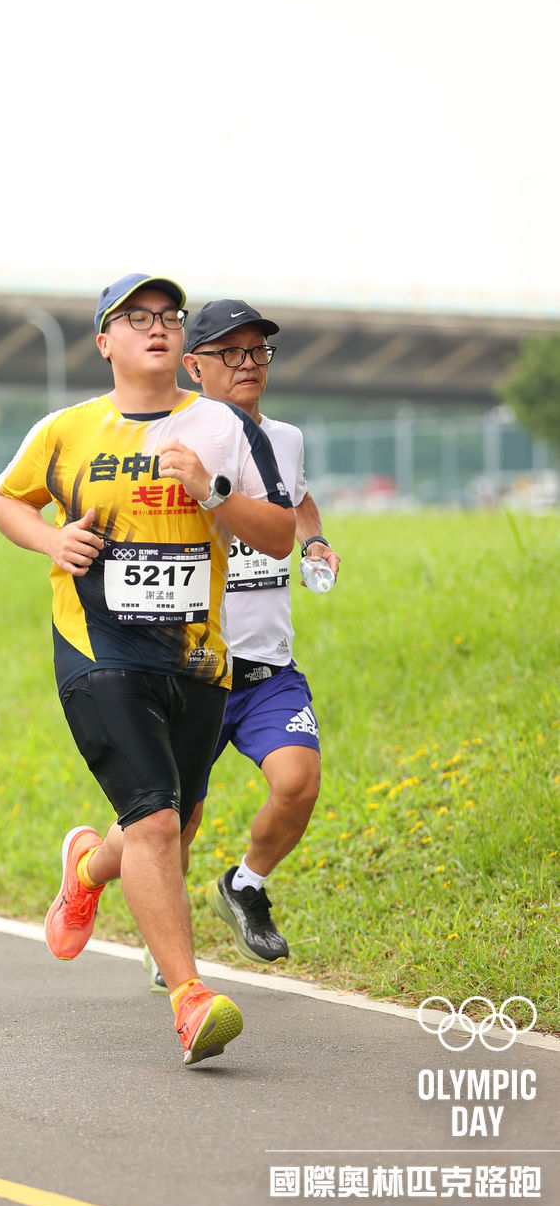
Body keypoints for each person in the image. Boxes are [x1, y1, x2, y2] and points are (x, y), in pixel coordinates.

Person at [0, 274, 296, 1065]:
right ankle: (190, 998)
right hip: (97, 649)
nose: (156, 327)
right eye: (135, 317)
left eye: (167, 316)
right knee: (157, 821)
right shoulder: (66, 430)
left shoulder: (226, 427)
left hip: (196, 658)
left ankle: (87, 868)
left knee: (172, 819)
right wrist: (52, 540)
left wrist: (210, 489)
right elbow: (7, 500)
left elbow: (277, 535)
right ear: (105, 341)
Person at [139, 298, 337, 991]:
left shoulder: (285, 439)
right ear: (194, 367)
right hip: (192, 669)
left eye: (257, 351)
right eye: (230, 353)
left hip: (266, 668)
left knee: (298, 781)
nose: (248, 364)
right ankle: (153, 927)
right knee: (174, 822)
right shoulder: (170, 441)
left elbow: (296, 500)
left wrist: (312, 539)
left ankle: (245, 885)